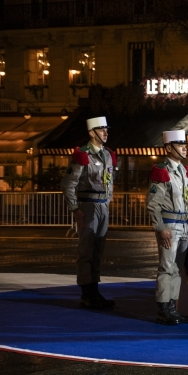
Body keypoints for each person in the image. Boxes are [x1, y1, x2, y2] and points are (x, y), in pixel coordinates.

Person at [61, 116, 116, 309]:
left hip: (102, 205)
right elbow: (68, 184)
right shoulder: (82, 155)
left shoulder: (108, 154)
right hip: (88, 205)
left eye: (106, 130)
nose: (106, 133)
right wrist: (75, 208)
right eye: (102, 130)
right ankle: (86, 292)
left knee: (98, 249)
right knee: (86, 250)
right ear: (92, 133)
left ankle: (95, 291)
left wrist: (108, 200)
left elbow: (110, 180)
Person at [146, 130, 188, 325]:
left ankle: (173, 306)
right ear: (168, 148)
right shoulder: (161, 170)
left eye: (185, 144)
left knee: (177, 268)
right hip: (170, 225)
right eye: (180, 144)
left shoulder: (183, 170)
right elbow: (153, 203)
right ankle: (163, 308)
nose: (185, 147)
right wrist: (160, 227)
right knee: (166, 267)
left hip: (183, 224)